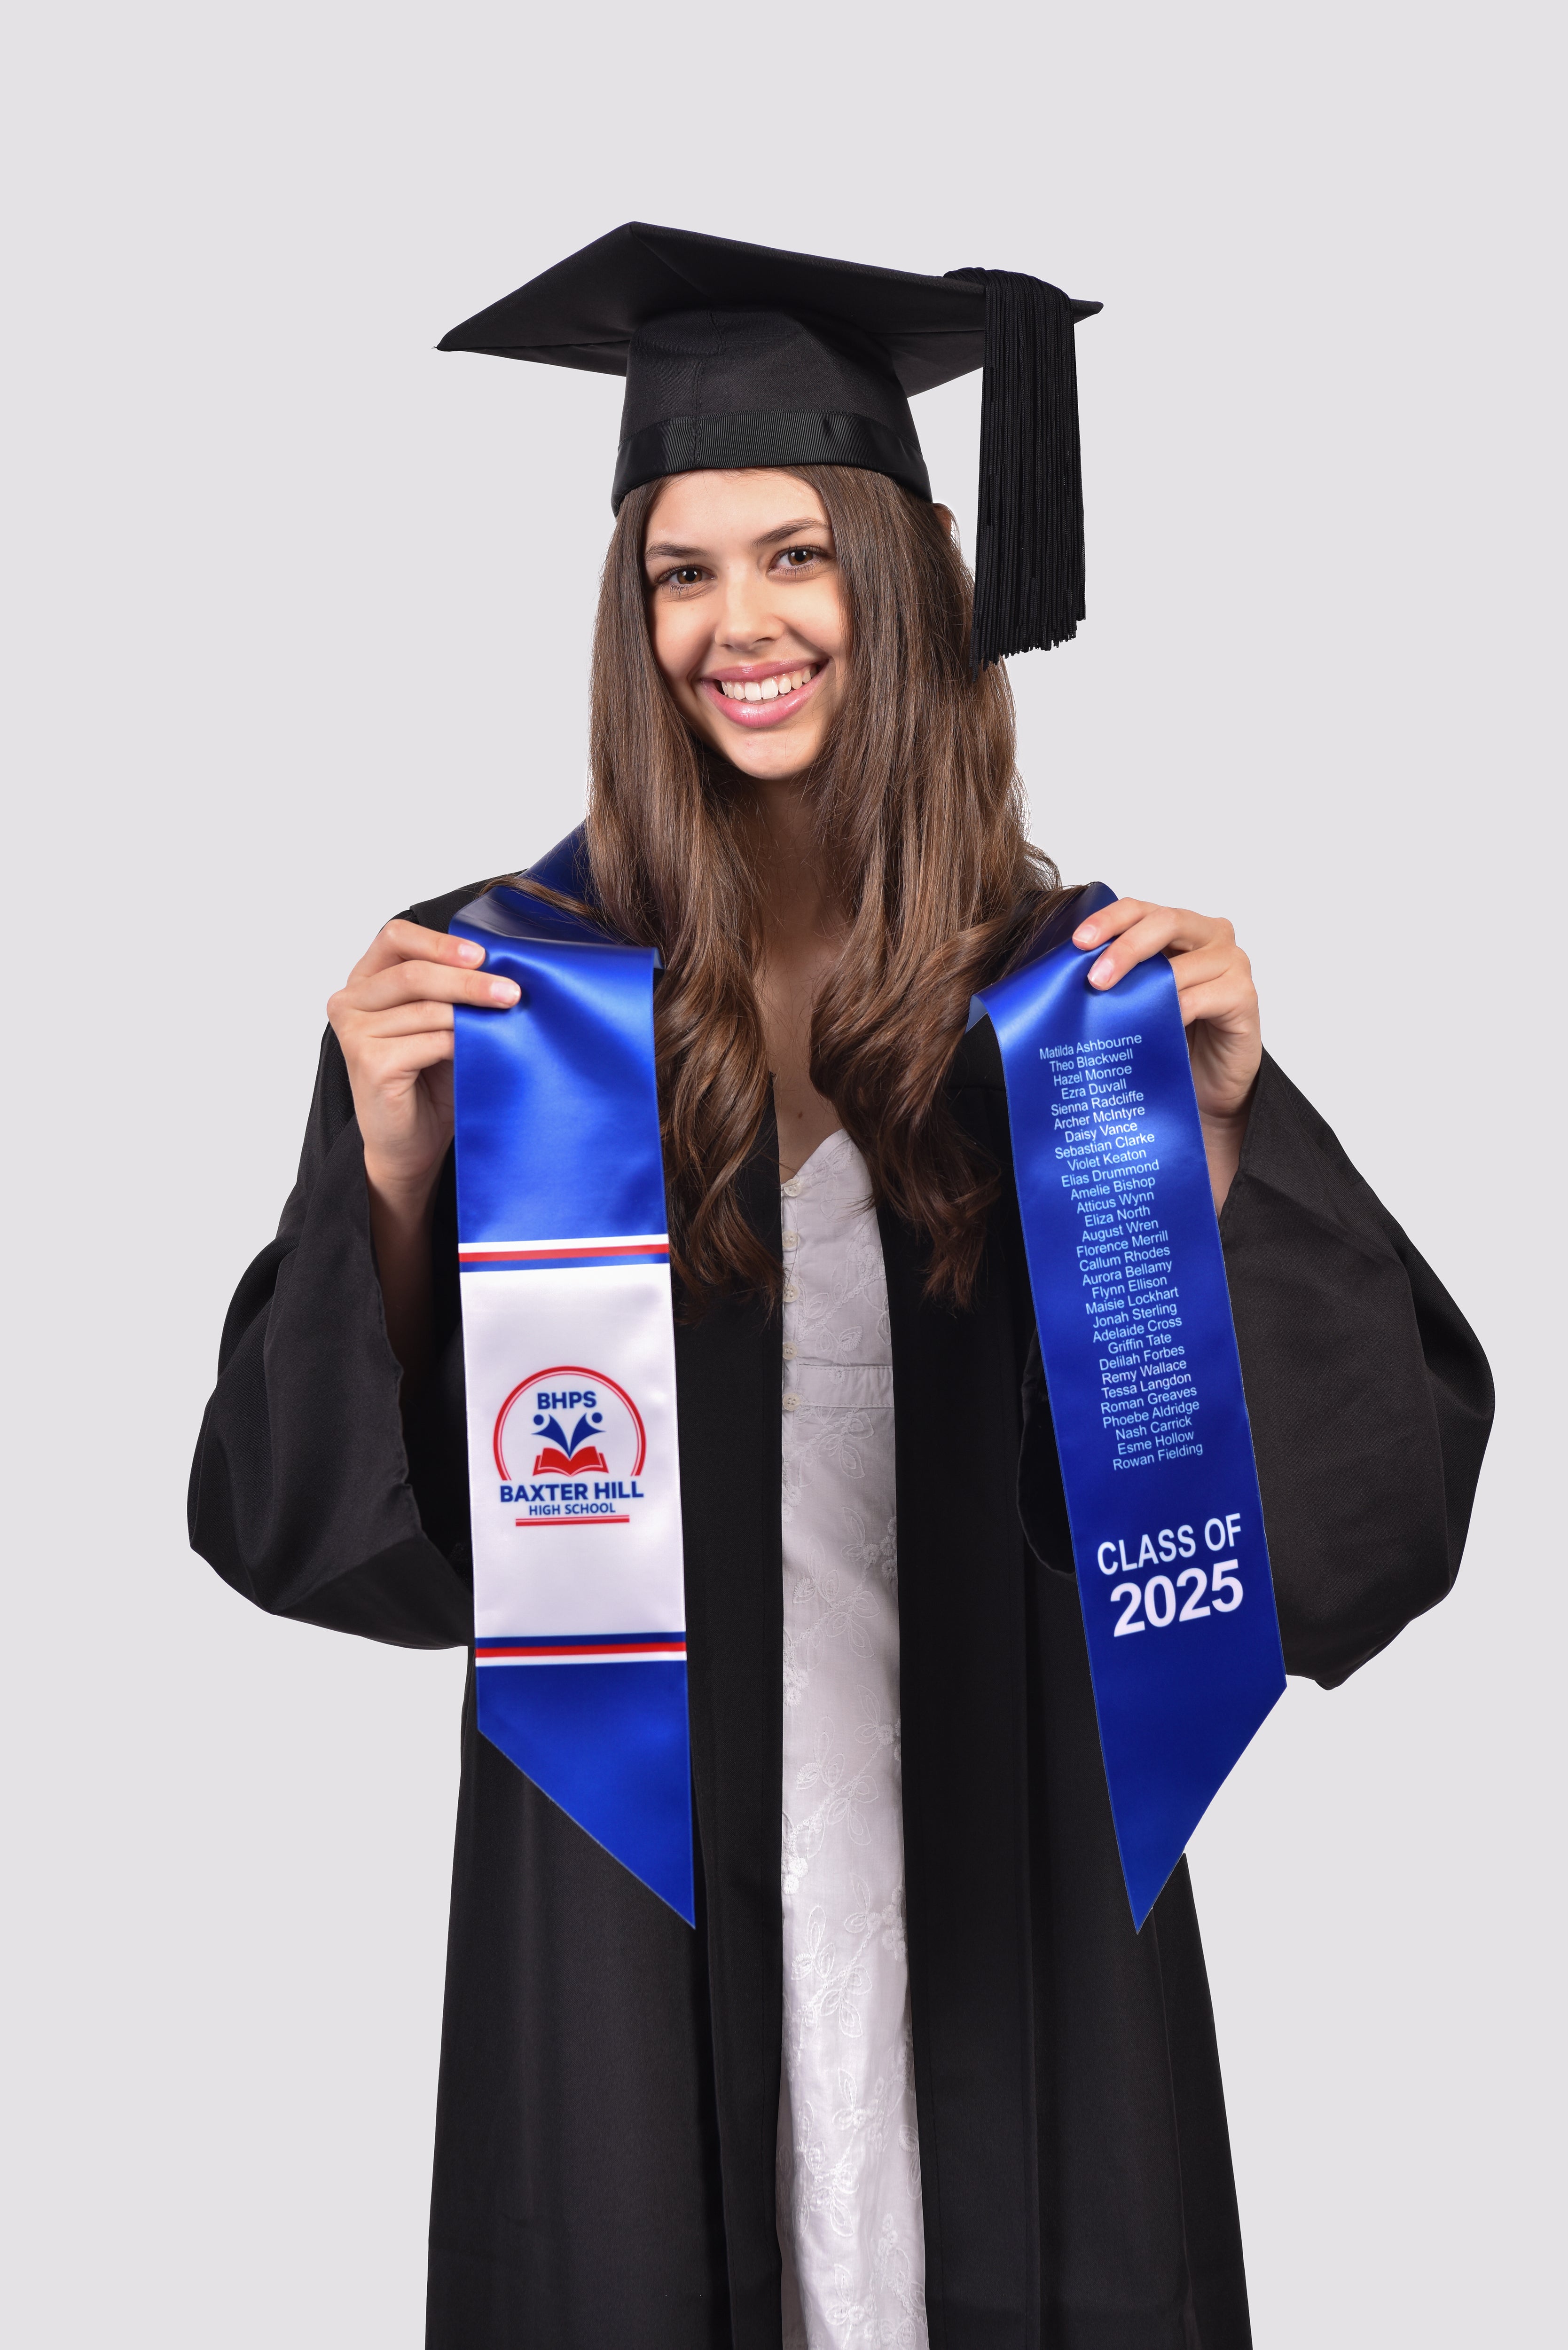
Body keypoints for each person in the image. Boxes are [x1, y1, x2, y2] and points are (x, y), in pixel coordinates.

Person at [190, 226, 1493, 2350]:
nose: (741, 625)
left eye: (794, 555)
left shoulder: (1066, 1002)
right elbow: (305, 1529)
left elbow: (1361, 1537)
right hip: (636, 1906)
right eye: (680, 573)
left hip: (1013, 1895)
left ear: (909, 573)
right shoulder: (517, 995)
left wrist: (1231, 1137)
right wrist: (399, 1178)